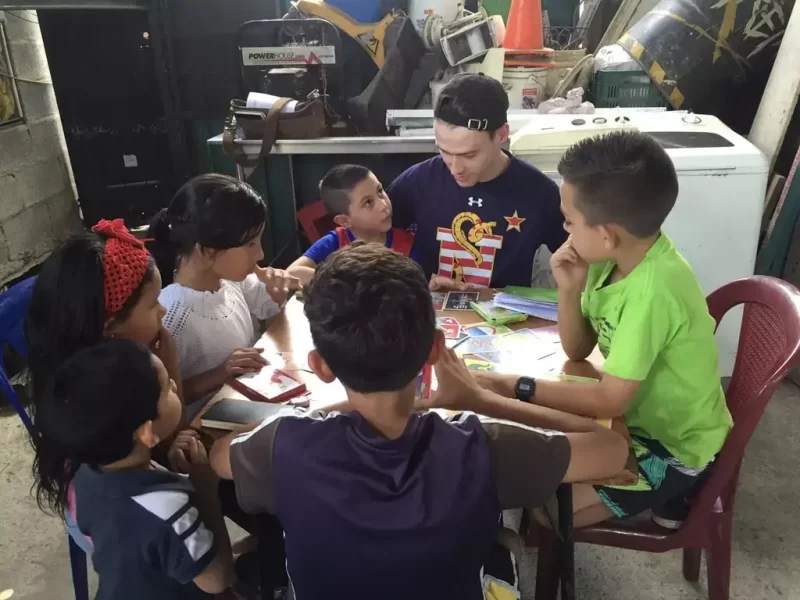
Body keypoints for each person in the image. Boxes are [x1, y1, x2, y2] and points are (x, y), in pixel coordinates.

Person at [209, 244, 627, 600]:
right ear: (434, 350)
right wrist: (481, 399)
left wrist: (337, 405)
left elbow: (219, 456)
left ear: (321, 367)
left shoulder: (283, 446)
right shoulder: (485, 446)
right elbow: (611, 451)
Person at [471, 131, 733, 529]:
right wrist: (570, 288)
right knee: (527, 470)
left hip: (672, 444)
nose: (565, 231)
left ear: (607, 234)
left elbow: (609, 401)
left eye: (569, 221)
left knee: (543, 512)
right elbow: (577, 350)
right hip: (628, 416)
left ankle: (683, 486)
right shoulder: (609, 260)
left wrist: (513, 385)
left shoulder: (653, 291)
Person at [31, 339, 234, 599]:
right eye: (167, 387)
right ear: (147, 433)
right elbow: (217, 579)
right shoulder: (168, 510)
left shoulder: (86, 473)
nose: (174, 384)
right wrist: (206, 490)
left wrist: (168, 468)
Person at [387, 73, 566, 291]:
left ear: (501, 135)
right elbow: (371, 241)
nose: (455, 168)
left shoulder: (540, 193)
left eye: (469, 155)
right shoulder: (417, 183)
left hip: (506, 318)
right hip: (429, 316)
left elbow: (586, 259)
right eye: (444, 152)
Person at [148, 173, 301, 406]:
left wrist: (276, 288)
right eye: (250, 244)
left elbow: (265, 302)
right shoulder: (171, 316)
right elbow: (164, 400)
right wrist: (219, 373)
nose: (260, 254)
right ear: (208, 251)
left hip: (248, 403)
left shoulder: (229, 280)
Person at [287, 164, 415, 284]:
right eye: (368, 202)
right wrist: (345, 283)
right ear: (344, 221)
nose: (383, 205)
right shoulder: (335, 242)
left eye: (380, 191)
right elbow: (293, 272)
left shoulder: (409, 242)